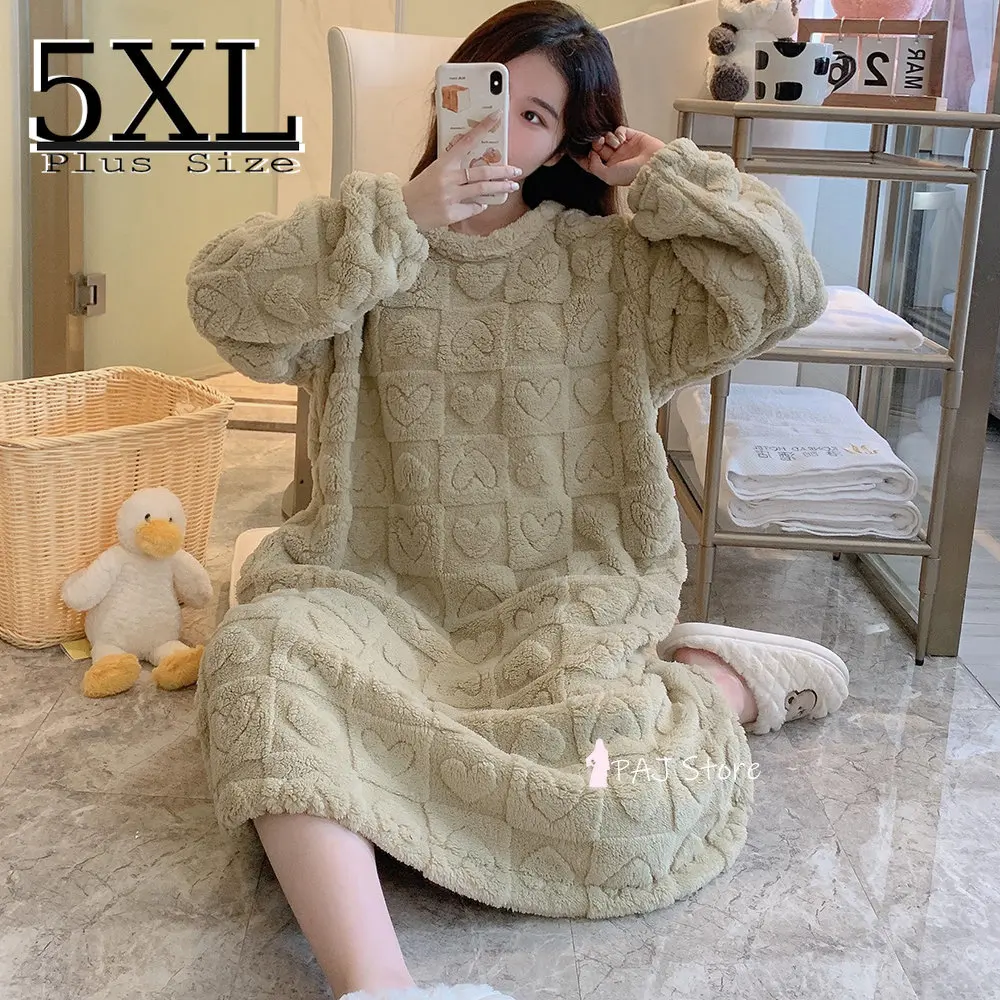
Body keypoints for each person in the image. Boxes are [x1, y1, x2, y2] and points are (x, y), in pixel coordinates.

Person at [185, 3, 850, 999]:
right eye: (489, 94)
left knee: (626, 802)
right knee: (257, 661)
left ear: (566, 143)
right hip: (375, 595)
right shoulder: (367, 245)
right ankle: (378, 987)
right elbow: (221, 299)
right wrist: (400, 216)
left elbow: (785, 287)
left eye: (537, 116)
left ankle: (718, 679)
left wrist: (667, 176)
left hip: (560, 603)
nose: (503, 129)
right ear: (450, 92)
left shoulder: (614, 269)